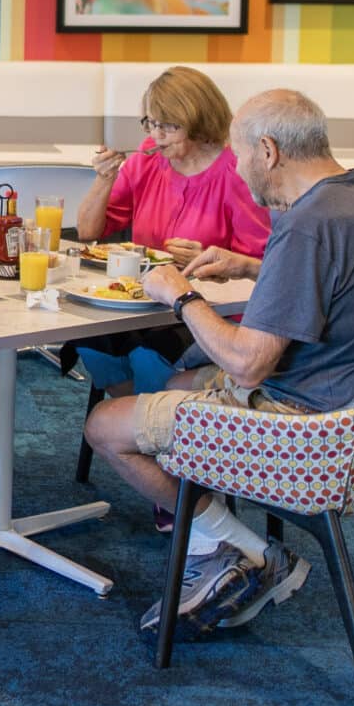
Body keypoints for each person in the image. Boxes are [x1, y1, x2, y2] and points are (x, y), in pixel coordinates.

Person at [82, 88, 354, 640]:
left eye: (239, 155)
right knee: (179, 380)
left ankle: (247, 550)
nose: (237, 170)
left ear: (268, 150)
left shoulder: (306, 223)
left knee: (104, 425)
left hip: (309, 427)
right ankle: (215, 539)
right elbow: (336, 279)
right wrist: (248, 264)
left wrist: (180, 295)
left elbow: (248, 367)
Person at [72, 68, 271, 526]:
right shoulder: (147, 158)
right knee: (91, 342)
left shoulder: (234, 171)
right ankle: (153, 450)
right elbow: (88, 232)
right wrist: (103, 180)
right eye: (151, 123)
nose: (157, 136)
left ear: (198, 122)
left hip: (211, 312)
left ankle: (170, 467)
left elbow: (262, 261)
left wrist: (207, 256)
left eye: (169, 126)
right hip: (143, 302)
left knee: (149, 358)